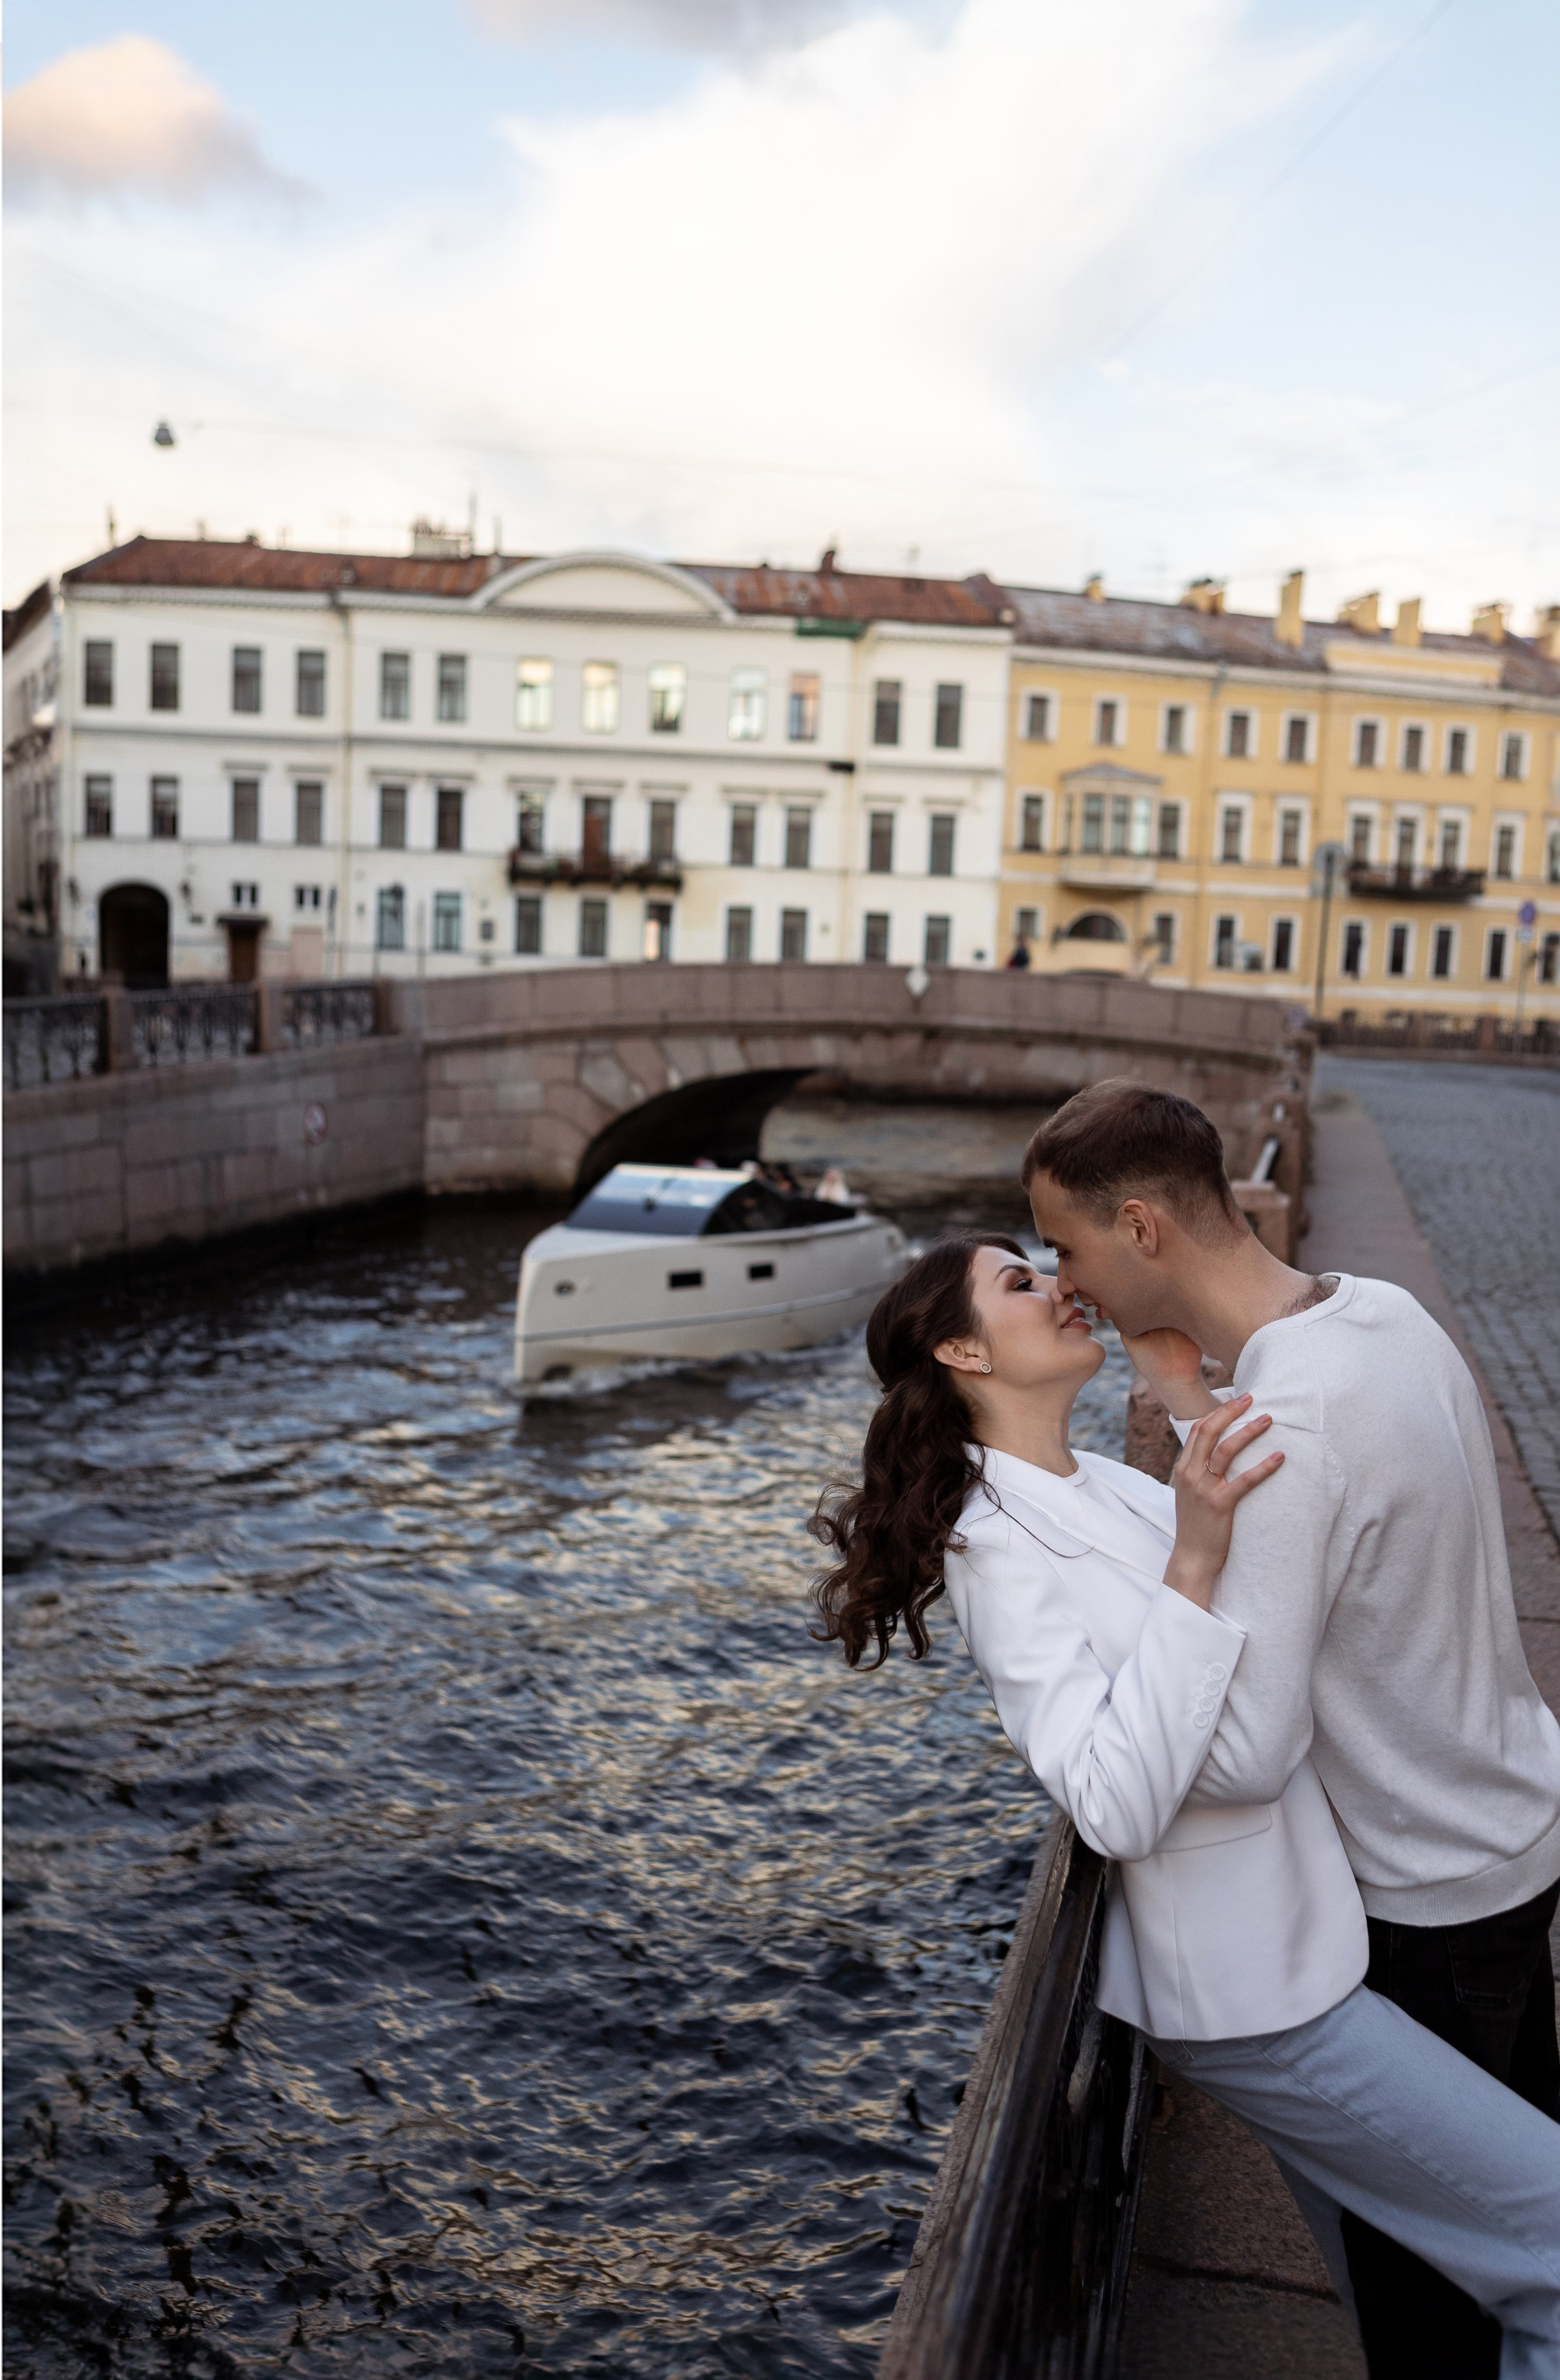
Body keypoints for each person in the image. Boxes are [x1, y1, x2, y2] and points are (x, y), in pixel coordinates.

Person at [812, 1236, 1560, 2375]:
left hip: (1310, 1934)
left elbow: (1252, 1622)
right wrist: (1193, 1561)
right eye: (1020, 1282)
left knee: (1415, 2288)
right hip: (1251, 1992)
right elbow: (1111, 1803)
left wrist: (1181, 1395)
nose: (1058, 1286)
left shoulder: (1099, 1483)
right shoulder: (994, 1548)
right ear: (963, 1349)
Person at [1022, 1079, 1560, 2379]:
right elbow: (1335, 1516)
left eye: (1067, 1245)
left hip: (1415, 1903)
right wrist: (1192, 1392)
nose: (1062, 1280)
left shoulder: (1285, 1427)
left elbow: (1247, 1749)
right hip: (1508, 1834)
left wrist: (1131, 1677)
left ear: (1140, 1229)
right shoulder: (1374, 1318)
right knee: (1502, 2238)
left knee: (1433, 2306)